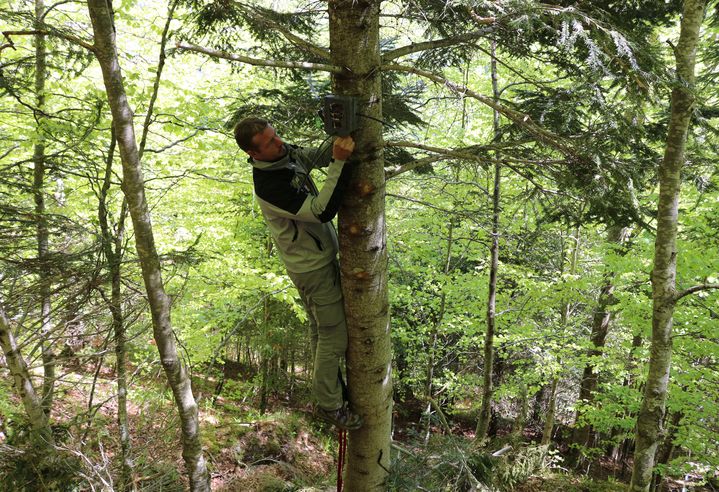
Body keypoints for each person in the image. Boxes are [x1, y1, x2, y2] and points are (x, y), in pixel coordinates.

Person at [233, 117, 362, 431]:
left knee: (323, 333)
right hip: (312, 270)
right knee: (335, 335)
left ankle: (328, 394)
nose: (279, 144)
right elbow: (320, 210)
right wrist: (339, 163)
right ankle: (330, 406)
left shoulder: (282, 155)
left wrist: (340, 139)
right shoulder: (269, 186)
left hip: (317, 258)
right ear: (254, 154)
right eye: (270, 143)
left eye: (276, 136)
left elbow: (312, 156)